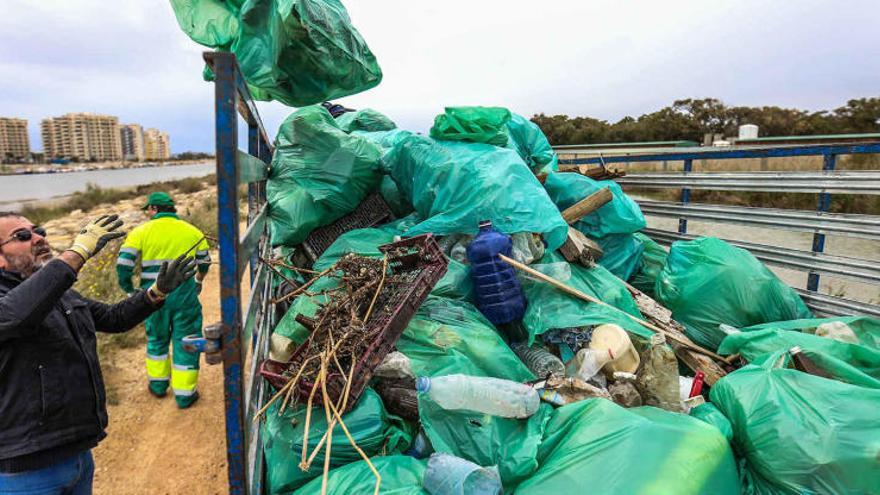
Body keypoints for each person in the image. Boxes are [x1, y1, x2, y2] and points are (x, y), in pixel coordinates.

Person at [0, 212, 195, 494]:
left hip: (78, 455)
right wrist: (78, 251)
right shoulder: (14, 301)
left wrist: (156, 292)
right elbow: (17, 315)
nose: (39, 237)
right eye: (22, 235)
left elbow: (112, 318)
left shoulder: (57, 293)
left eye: (38, 230)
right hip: (25, 474)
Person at [116, 192, 211, 408]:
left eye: (147, 210)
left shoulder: (140, 232)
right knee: (186, 342)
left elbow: (123, 265)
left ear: (154, 209)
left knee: (157, 339)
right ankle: (185, 395)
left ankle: (158, 386)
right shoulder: (192, 231)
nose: (147, 214)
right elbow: (205, 262)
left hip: (152, 297)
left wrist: (130, 291)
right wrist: (198, 280)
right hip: (185, 296)